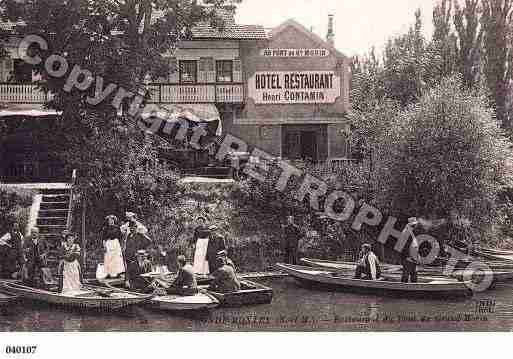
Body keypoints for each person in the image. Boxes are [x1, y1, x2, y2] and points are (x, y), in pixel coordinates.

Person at [401, 217, 420, 283]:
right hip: (409, 259)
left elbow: (414, 246)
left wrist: (417, 257)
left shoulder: (410, 232)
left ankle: (414, 290)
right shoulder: (406, 232)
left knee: (414, 275)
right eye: (414, 225)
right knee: (406, 275)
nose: (415, 226)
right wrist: (409, 257)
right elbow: (405, 247)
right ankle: (402, 291)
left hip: (412, 258)